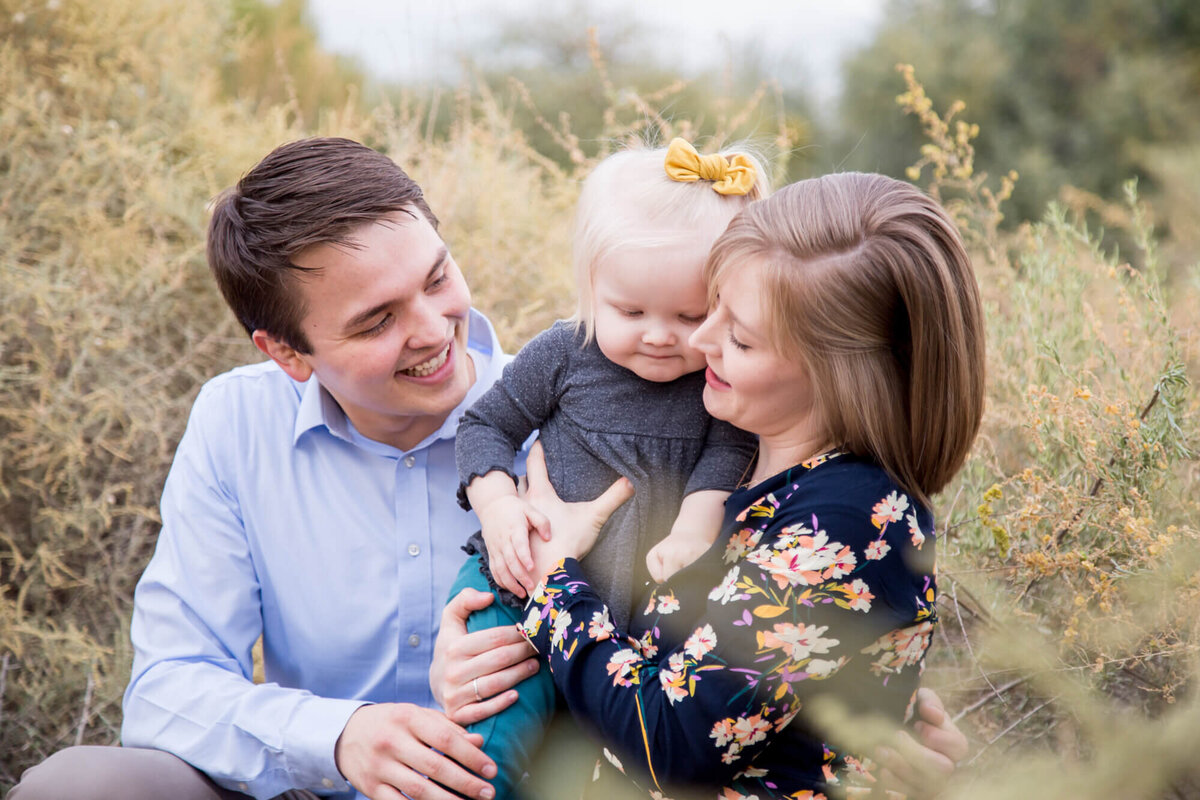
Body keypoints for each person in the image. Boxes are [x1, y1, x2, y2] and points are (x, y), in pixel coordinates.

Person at [10, 140, 967, 800]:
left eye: (435, 280)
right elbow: (166, 688)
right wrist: (342, 735)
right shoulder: (238, 424)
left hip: (548, 778)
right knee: (82, 786)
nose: (435, 331)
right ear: (288, 354)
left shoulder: (597, 424)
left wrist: (842, 711)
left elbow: (720, 639)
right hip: (310, 776)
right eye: (376, 321)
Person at [448, 172, 986, 798]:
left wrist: (552, 580)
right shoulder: (734, 456)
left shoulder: (850, 517)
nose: (699, 340)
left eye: (737, 334)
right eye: (714, 305)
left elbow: (673, 740)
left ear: (840, 374)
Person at [448, 139, 765, 798]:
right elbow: (485, 426)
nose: (659, 334)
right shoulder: (565, 353)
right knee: (488, 749)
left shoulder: (715, 378)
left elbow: (729, 451)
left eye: (689, 314)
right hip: (518, 582)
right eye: (631, 311)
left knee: (587, 763)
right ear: (590, 287)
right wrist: (501, 508)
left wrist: (692, 525)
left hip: (625, 616)